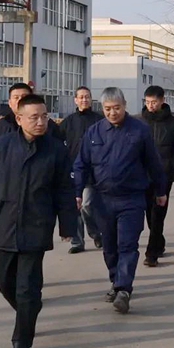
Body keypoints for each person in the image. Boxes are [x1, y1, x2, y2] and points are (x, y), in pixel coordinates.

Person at [0, 94, 78, 348]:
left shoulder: (56, 150)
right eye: (34, 117)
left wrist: (68, 225)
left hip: (37, 225)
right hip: (5, 223)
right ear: (19, 119)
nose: (41, 122)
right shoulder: (0, 147)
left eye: (44, 116)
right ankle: (29, 310)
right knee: (3, 280)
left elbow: (65, 190)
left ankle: (21, 342)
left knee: (27, 288)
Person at [74, 87, 167, 314]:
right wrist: (76, 192)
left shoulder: (139, 131)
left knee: (128, 244)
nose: (112, 113)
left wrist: (160, 190)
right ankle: (115, 281)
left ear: (125, 105)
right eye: (107, 109)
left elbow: (154, 163)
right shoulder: (94, 133)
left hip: (132, 199)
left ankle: (124, 289)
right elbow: (81, 164)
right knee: (110, 246)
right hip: (103, 199)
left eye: (117, 108)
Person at [140, 85, 174, 267]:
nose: (150, 105)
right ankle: (158, 242)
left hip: (163, 176)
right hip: (142, 175)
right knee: (149, 212)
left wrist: (171, 165)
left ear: (162, 101)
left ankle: (152, 253)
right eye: (147, 102)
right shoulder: (138, 123)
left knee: (158, 213)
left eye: (154, 102)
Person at [59, 86, 104, 254]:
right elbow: (56, 142)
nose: (84, 100)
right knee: (75, 207)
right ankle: (77, 241)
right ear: (75, 100)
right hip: (72, 171)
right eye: (81, 97)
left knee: (87, 204)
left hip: (93, 172)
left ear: (91, 99)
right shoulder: (68, 122)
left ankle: (96, 233)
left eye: (87, 97)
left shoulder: (99, 120)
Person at [0, 82, 63, 147]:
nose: (20, 100)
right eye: (16, 97)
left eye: (24, 97)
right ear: (10, 103)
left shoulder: (49, 126)